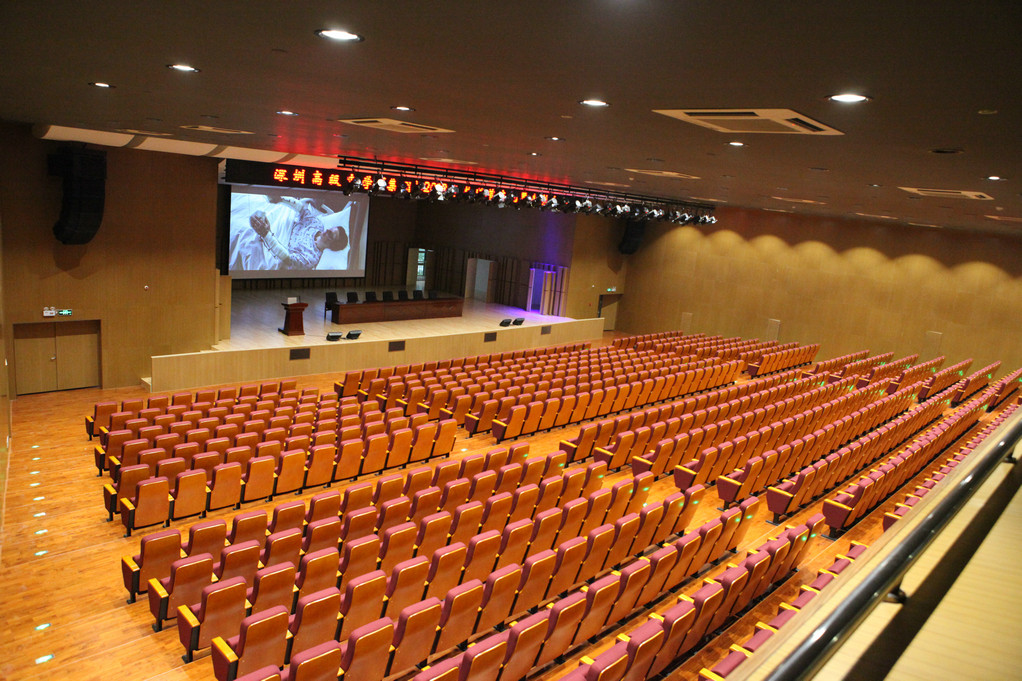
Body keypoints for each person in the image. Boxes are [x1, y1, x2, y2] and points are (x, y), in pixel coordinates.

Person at [246, 196, 348, 269]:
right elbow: (302, 209)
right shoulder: (318, 225)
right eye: (330, 229)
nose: (327, 230)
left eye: (331, 234)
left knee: (246, 231)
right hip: (282, 221)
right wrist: (281, 199)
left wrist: (266, 234)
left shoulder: (311, 257)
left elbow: (287, 258)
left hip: (278, 239)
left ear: (332, 245)